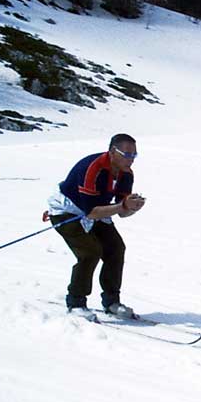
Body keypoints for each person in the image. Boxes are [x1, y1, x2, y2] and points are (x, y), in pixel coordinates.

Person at [47, 134, 146, 316]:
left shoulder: (126, 174)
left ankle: (112, 302)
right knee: (89, 252)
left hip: (97, 211)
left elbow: (121, 212)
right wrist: (122, 206)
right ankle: (76, 302)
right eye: (126, 154)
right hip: (67, 212)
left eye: (134, 155)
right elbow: (91, 211)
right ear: (112, 152)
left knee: (116, 248)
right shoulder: (93, 168)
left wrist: (132, 207)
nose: (130, 160)